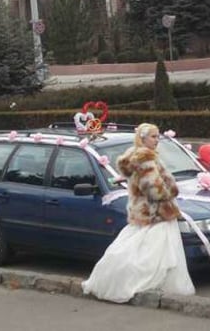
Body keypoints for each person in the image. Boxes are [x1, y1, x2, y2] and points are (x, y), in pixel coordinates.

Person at [82, 122, 195, 302]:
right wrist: (171, 191)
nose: (157, 140)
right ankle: (143, 284)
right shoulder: (144, 158)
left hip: (144, 210)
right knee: (155, 253)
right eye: (153, 136)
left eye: (158, 136)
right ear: (142, 138)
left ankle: (115, 277)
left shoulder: (135, 156)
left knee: (138, 247)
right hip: (155, 212)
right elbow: (154, 189)